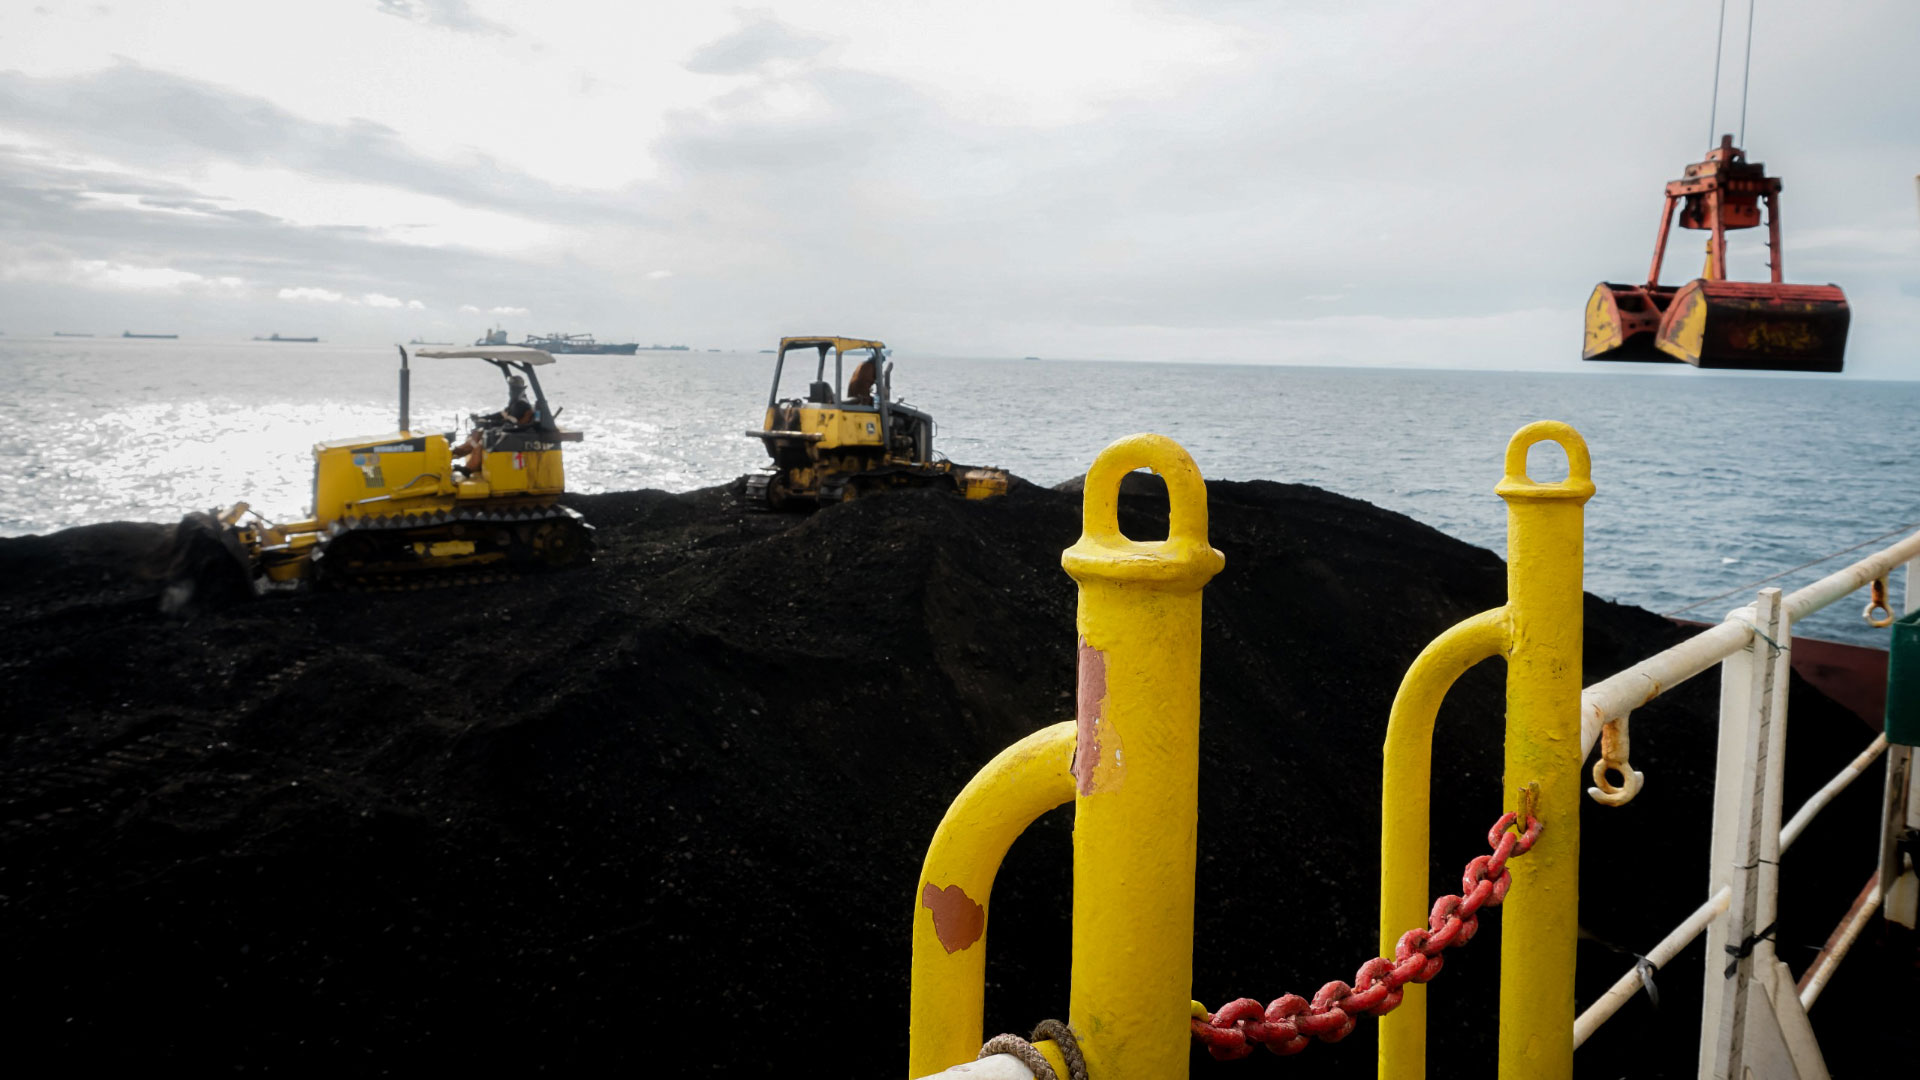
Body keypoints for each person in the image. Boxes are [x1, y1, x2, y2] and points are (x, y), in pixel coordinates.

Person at [451, 374, 536, 475]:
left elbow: (509, 423)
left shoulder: (521, 404)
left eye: (514, 389)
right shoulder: (515, 403)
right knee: (475, 435)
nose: (511, 391)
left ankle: (469, 469)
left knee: (480, 443)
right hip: (508, 430)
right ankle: (453, 455)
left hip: (513, 434)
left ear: (520, 389)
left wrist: (488, 424)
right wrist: (482, 418)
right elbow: (501, 415)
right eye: (511, 388)